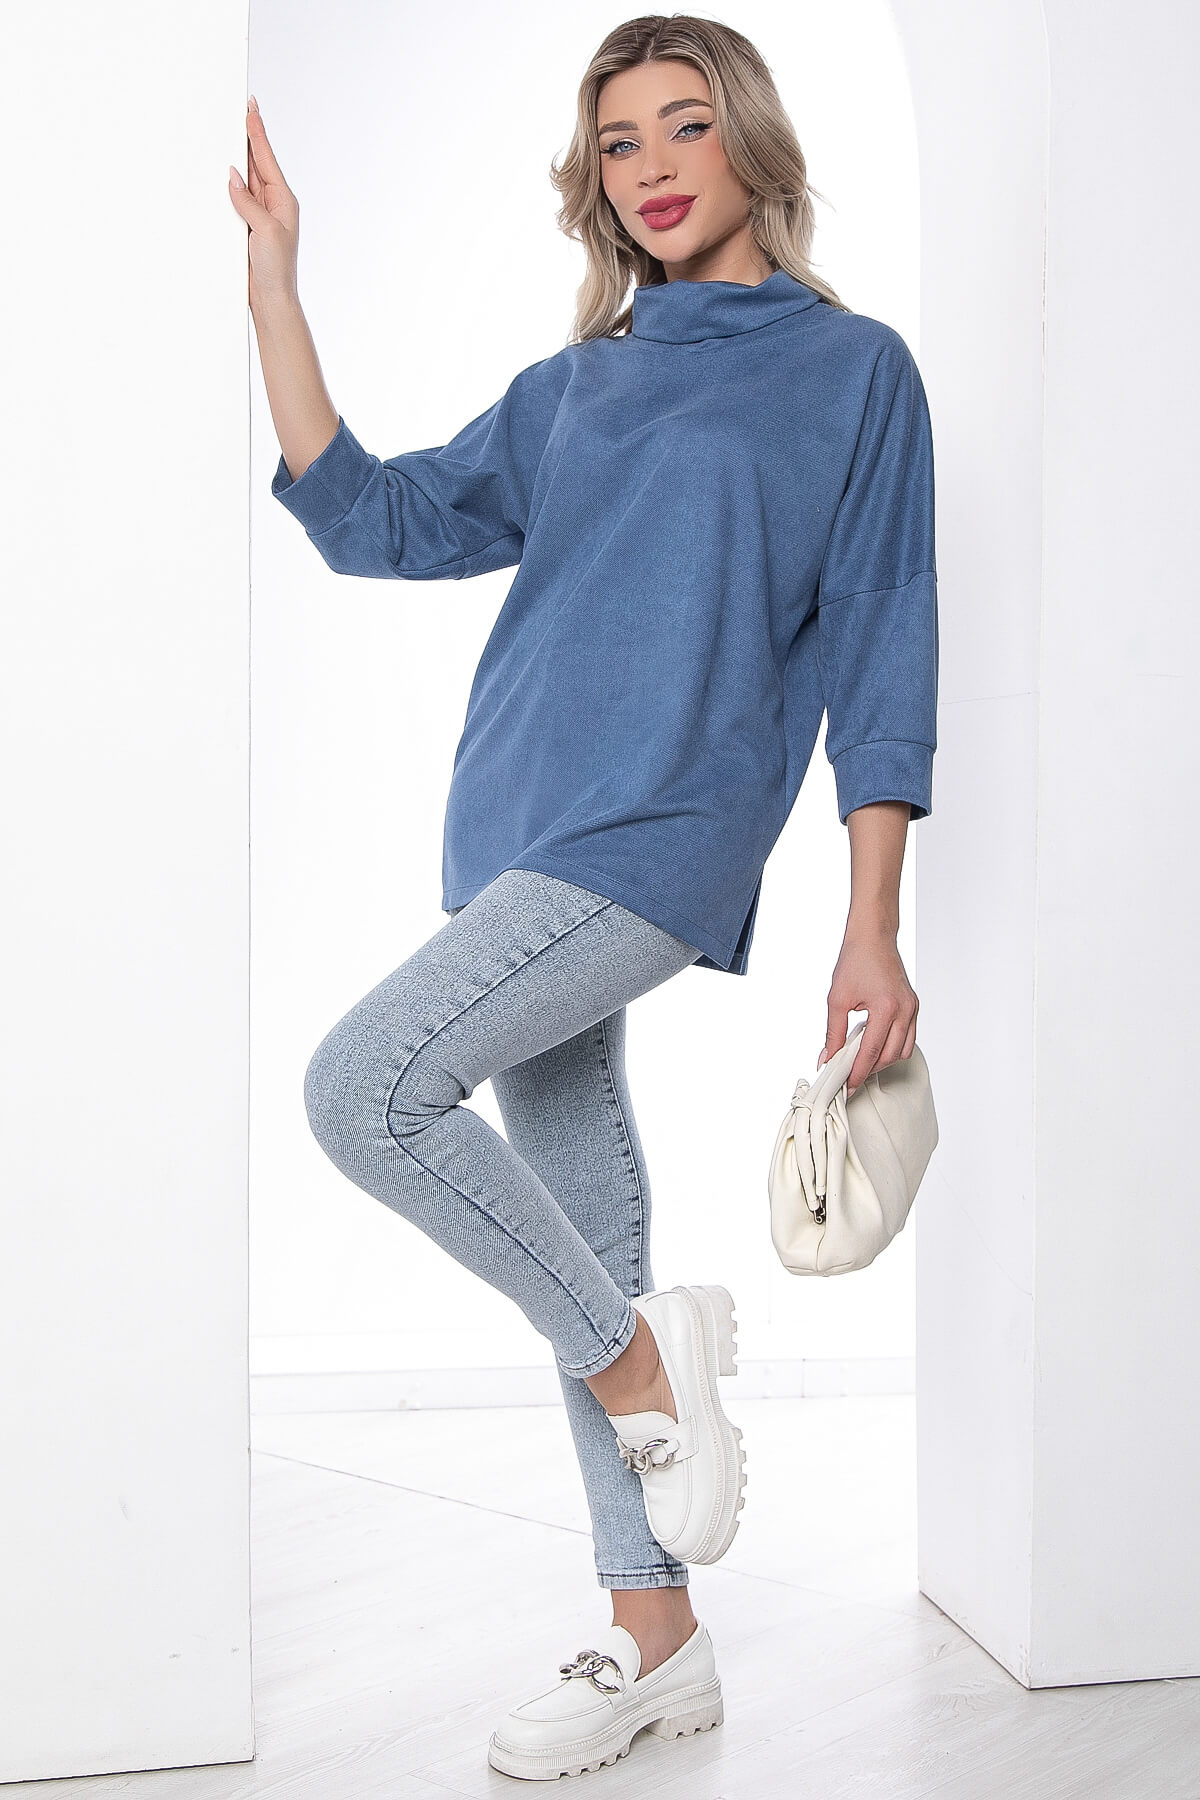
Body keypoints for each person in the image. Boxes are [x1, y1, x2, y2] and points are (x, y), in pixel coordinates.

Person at [228, 11, 937, 1780]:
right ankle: (657, 1641)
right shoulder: (575, 389)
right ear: (595, 181)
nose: (653, 166)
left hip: (663, 836)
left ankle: (639, 1366)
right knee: (579, 1228)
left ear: (752, 140)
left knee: (363, 1090)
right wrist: (276, 288)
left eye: (685, 125)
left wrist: (872, 917)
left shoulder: (855, 375)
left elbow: (884, 649)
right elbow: (373, 520)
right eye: (620, 142)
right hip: (512, 835)